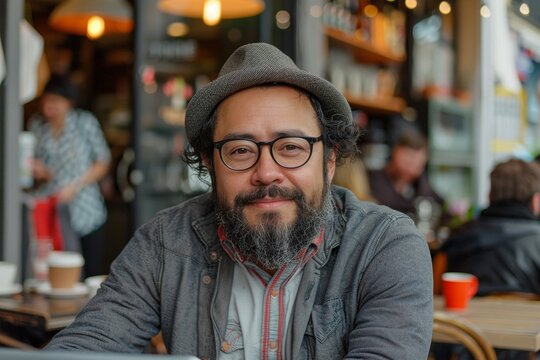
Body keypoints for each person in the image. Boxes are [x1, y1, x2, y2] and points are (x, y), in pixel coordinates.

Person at [45, 43, 433, 359]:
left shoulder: (385, 246)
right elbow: (84, 348)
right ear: (212, 166)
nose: (266, 172)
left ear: (329, 162)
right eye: (241, 150)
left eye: (291, 147)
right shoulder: (165, 243)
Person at [29, 74, 111, 277]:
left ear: (69, 102)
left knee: (87, 273)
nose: (49, 106)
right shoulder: (37, 126)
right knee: (50, 271)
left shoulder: (84, 122)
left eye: (55, 101)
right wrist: (40, 172)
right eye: (46, 100)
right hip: (51, 211)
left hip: (84, 210)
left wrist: (75, 186)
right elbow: (36, 166)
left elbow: (103, 162)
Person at [441, 158, 540, 295]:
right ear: (535, 201)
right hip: (521, 316)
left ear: (489, 196)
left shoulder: (458, 235)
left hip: (464, 317)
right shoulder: (536, 241)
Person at [368, 130, 444, 216]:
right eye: (407, 160)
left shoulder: (421, 184)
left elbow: (441, 204)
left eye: (417, 163)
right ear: (395, 151)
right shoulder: (374, 179)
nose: (410, 167)